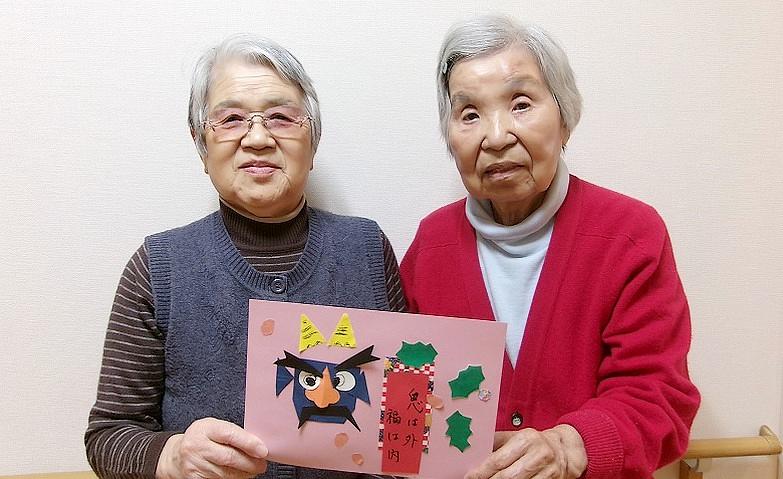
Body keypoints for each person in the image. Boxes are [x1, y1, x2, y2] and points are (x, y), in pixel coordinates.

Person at [85, 34, 405, 479]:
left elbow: (407, 404)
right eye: (231, 119)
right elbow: (108, 436)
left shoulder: (367, 248)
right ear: (201, 145)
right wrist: (173, 455)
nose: (257, 138)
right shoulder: (157, 269)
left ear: (313, 141)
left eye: (281, 118)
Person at [400, 15, 700, 479]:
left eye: (520, 104)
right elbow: (407, 387)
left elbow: (658, 395)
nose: (496, 137)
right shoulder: (431, 244)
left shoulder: (631, 235)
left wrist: (567, 447)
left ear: (565, 119)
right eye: (469, 114)